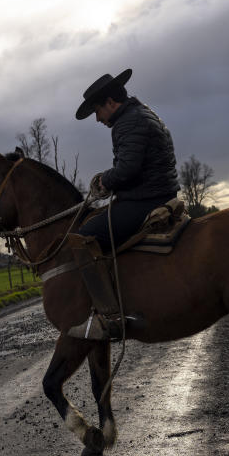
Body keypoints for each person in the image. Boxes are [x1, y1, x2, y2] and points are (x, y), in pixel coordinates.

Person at [66, 68, 180, 340]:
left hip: (146, 199)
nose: (97, 119)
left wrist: (105, 180)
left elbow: (128, 169)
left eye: (97, 111)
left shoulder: (127, 122)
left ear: (110, 102)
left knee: (83, 238)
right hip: (158, 192)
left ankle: (111, 317)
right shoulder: (142, 113)